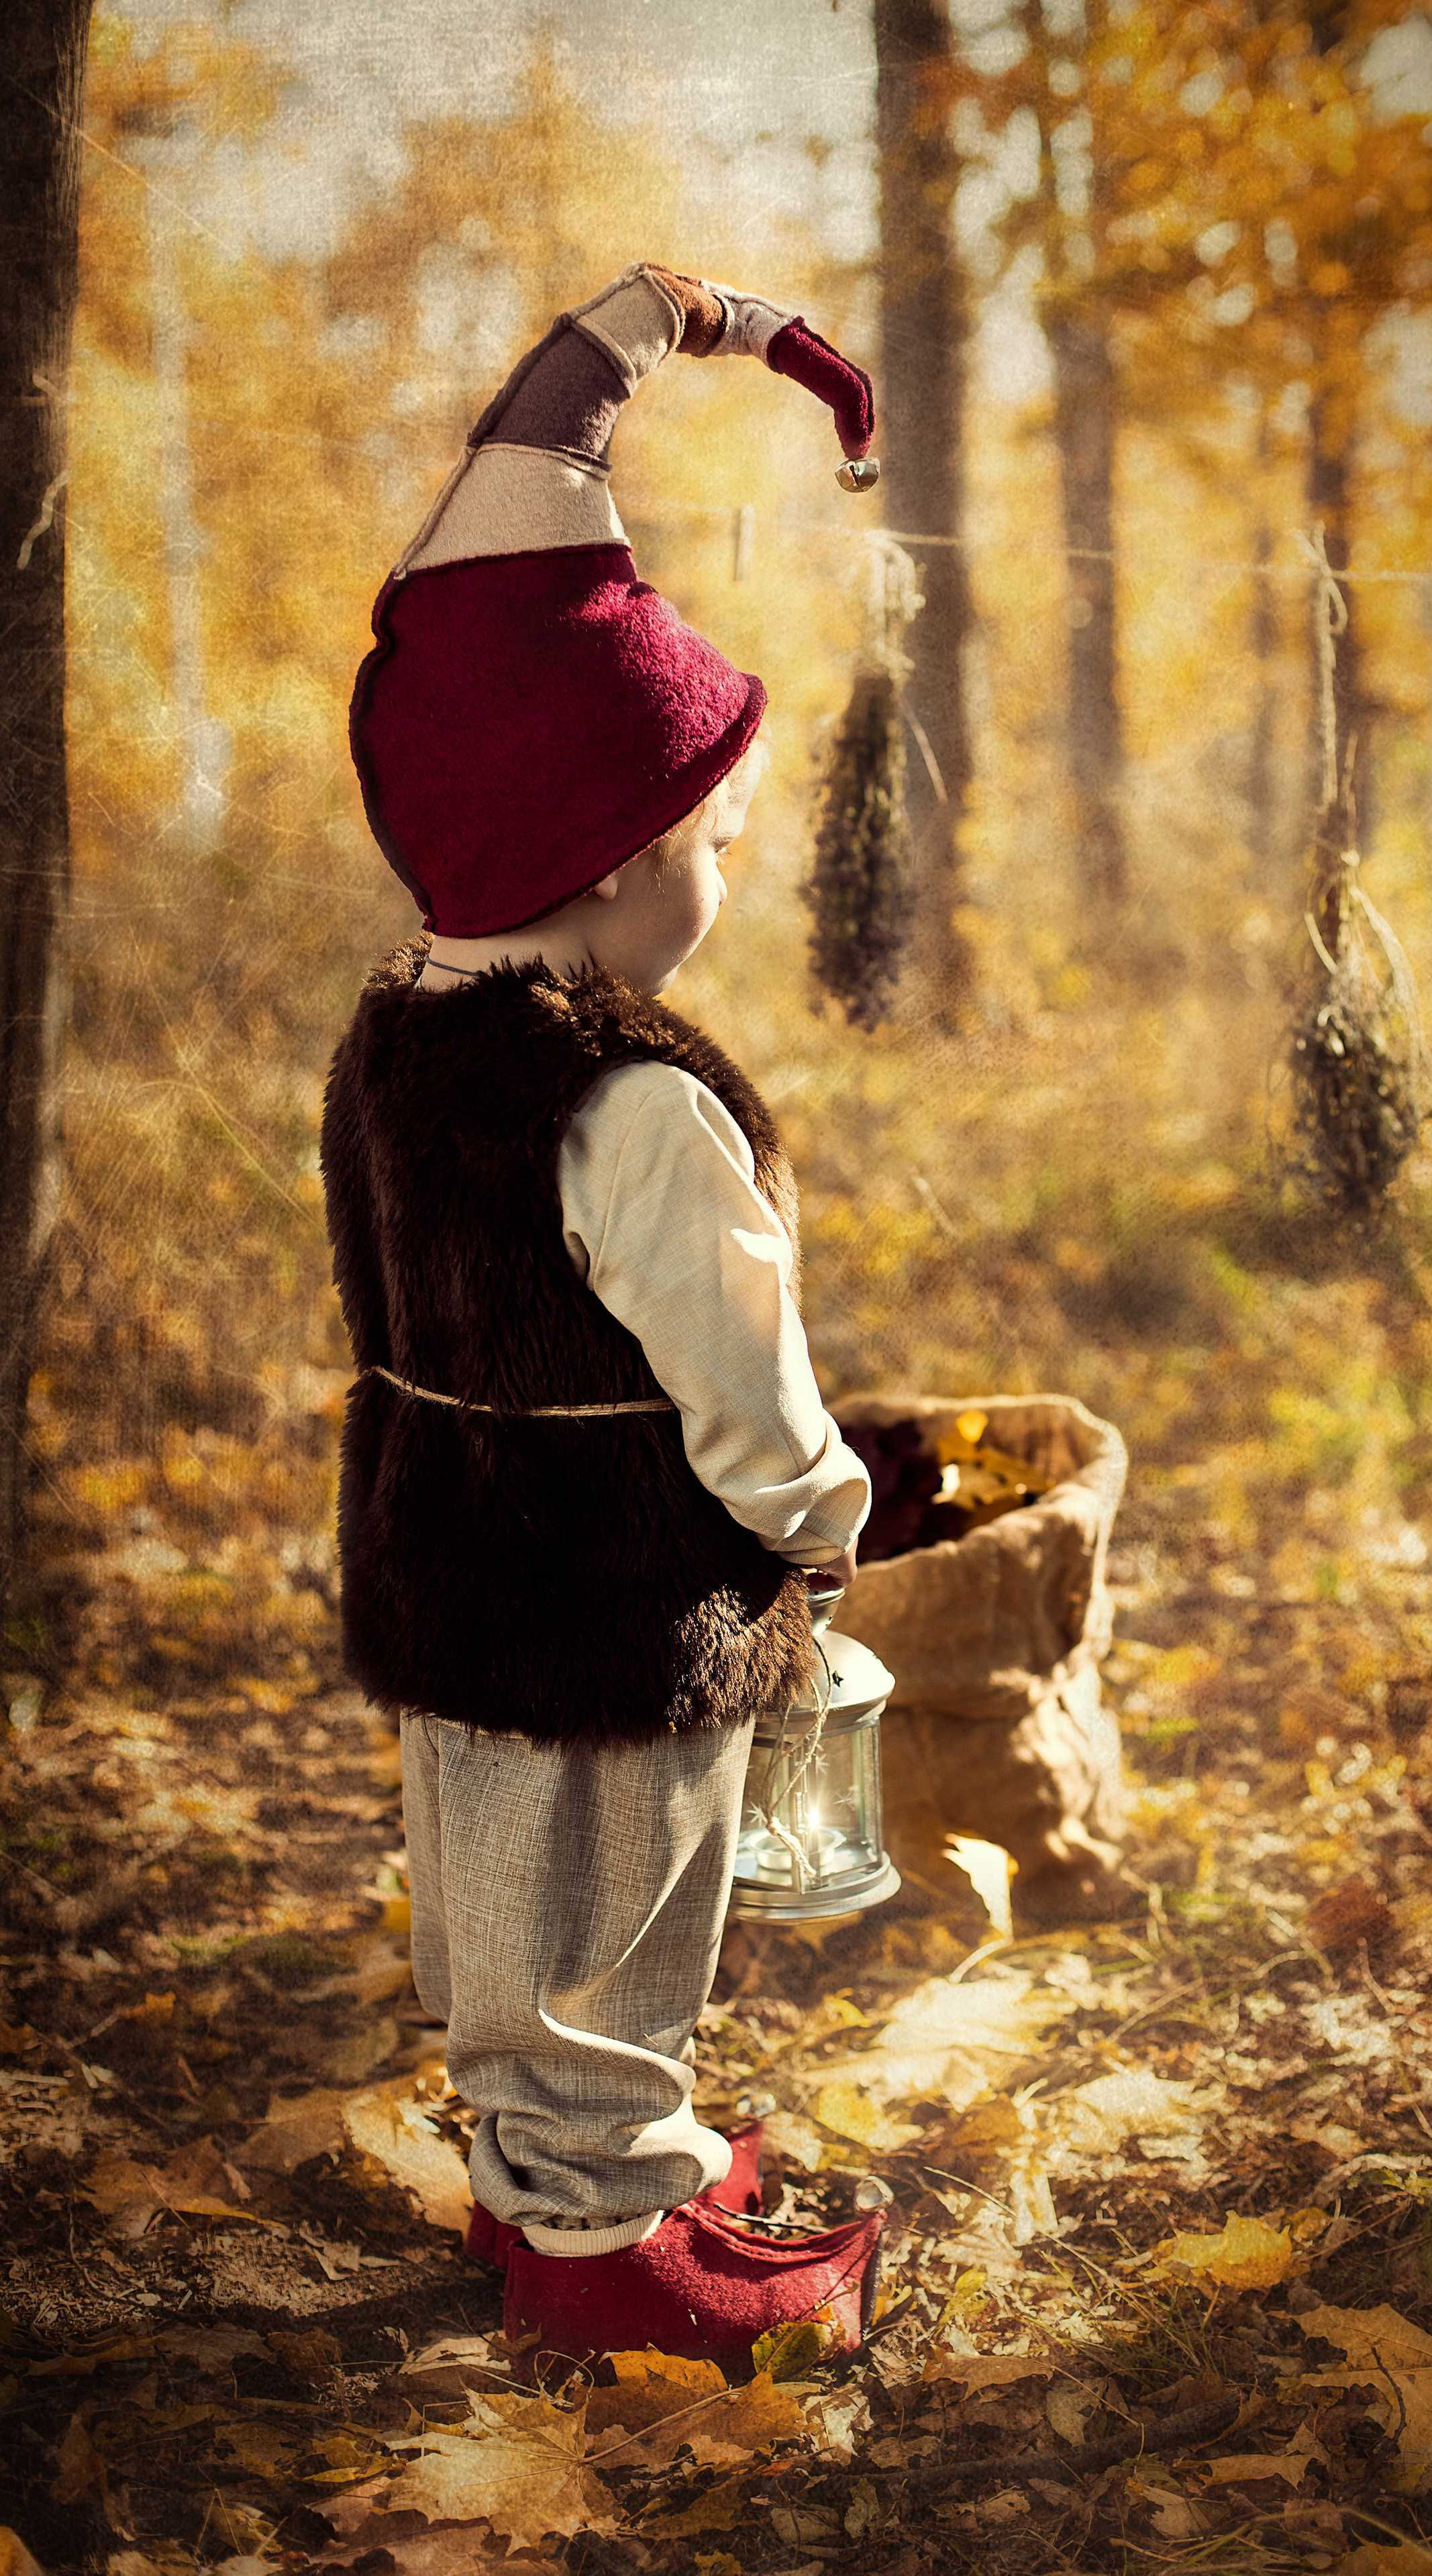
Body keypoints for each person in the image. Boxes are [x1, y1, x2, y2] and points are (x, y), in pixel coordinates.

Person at [320, 262, 884, 2372]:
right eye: (718, 832)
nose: (726, 870)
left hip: (449, 1554)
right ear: (622, 852)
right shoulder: (636, 1100)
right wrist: (817, 1516)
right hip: (616, 1590)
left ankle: (552, 2152)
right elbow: (737, 1372)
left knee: (495, 1884)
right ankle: (601, 2236)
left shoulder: (402, 1036)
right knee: (630, 1888)